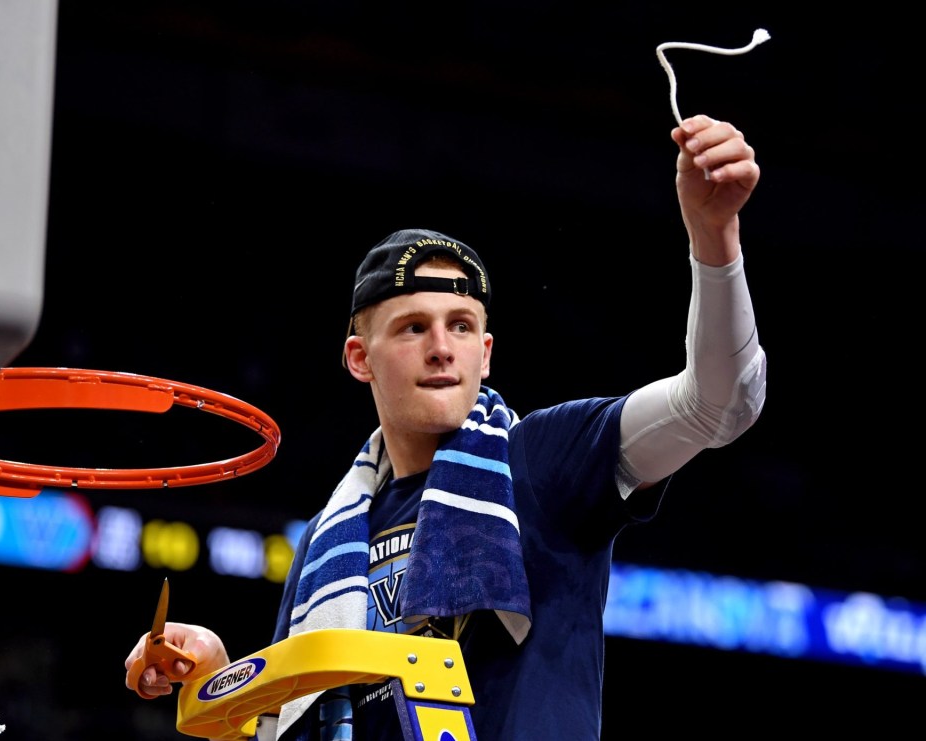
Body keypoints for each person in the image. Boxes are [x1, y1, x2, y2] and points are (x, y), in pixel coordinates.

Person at [124, 113, 767, 740]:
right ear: (359, 359)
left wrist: (715, 239)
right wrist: (219, 680)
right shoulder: (328, 540)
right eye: (413, 327)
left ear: (485, 353)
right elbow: (308, 721)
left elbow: (717, 404)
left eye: (461, 325)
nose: (442, 347)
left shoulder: (541, 460)